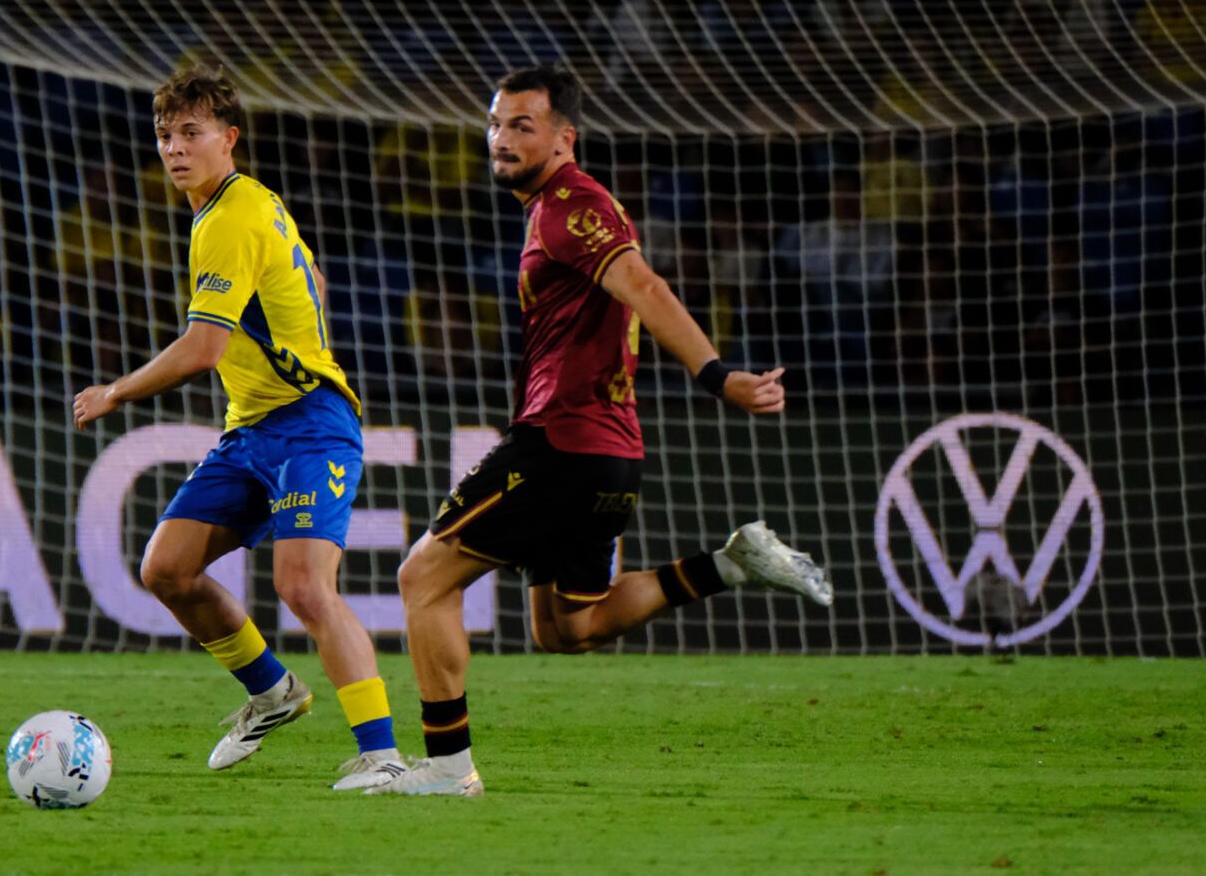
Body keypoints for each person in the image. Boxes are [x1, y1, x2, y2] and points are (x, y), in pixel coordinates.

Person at [379, 65, 832, 798]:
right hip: (609, 454)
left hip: (561, 443)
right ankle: (731, 565)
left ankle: (445, 769)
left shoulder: (571, 207)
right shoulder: (561, 208)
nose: (501, 139)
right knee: (567, 630)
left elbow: (646, 287)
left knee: (422, 579)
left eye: (522, 126)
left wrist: (718, 377)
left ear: (565, 137)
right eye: (495, 123)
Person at [72, 67, 405, 791]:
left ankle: (382, 756)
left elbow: (204, 348)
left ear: (230, 139)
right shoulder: (246, 204)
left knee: (305, 587)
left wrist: (115, 392)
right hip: (252, 426)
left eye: (191, 133)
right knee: (166, 568)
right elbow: (312, 281)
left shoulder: (229, 218)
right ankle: (273, 692)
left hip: (312, 423)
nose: (174, 149)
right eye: (164, 135)